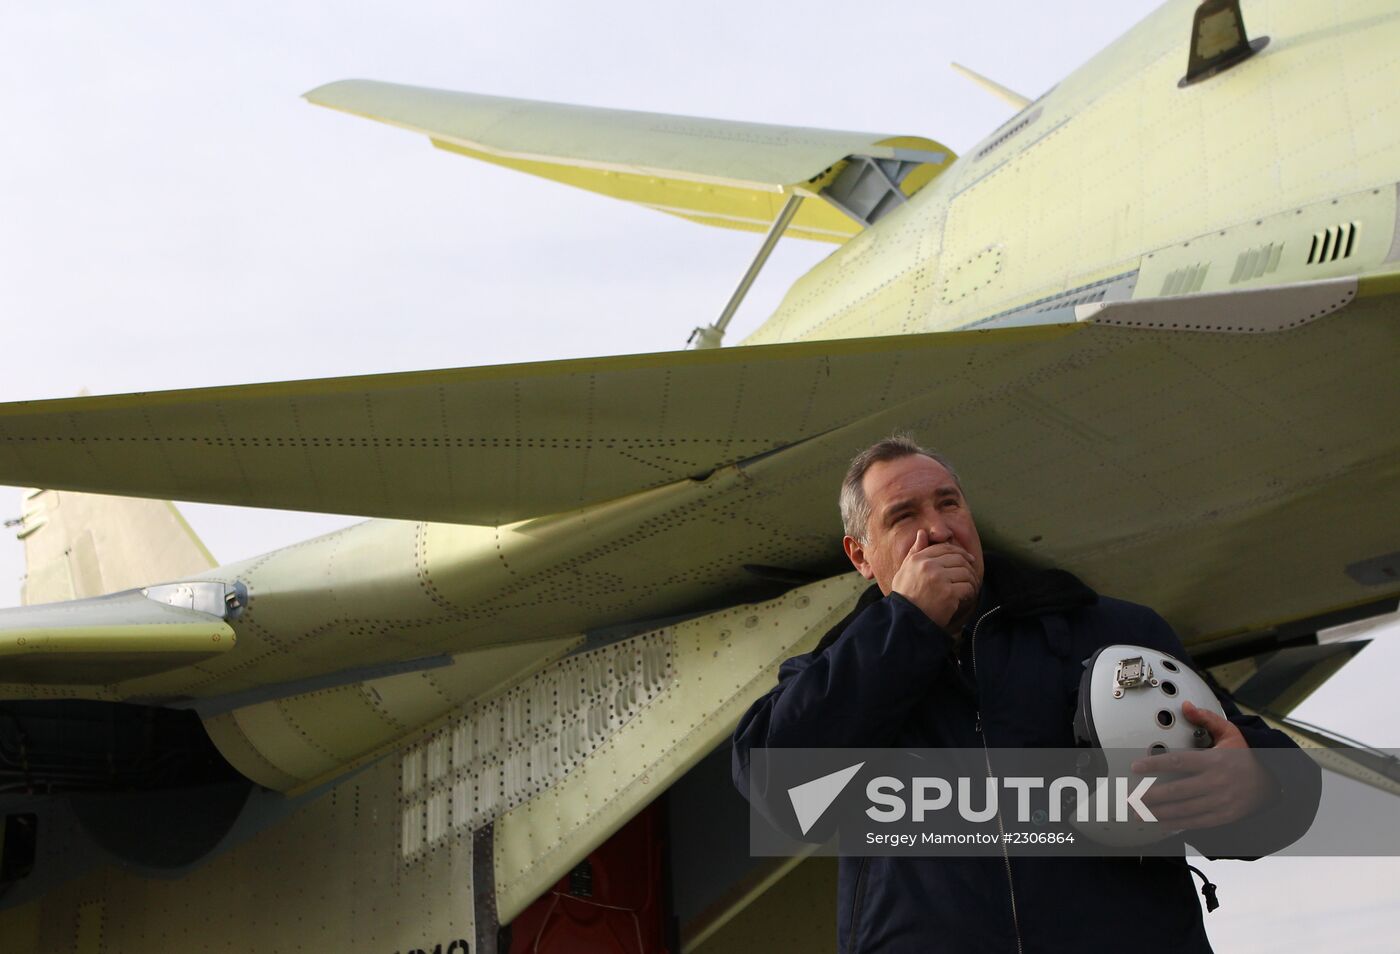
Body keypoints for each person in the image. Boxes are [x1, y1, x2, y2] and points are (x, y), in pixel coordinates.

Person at [731, 435, 1321, 954]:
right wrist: (907, 625)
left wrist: (1257, 786)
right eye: (903, 515)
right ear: (861, 555)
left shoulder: (1111, 633)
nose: (937, 529)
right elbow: (782, 792)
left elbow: (1261, 770)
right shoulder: (833, 673)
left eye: (948, 503)